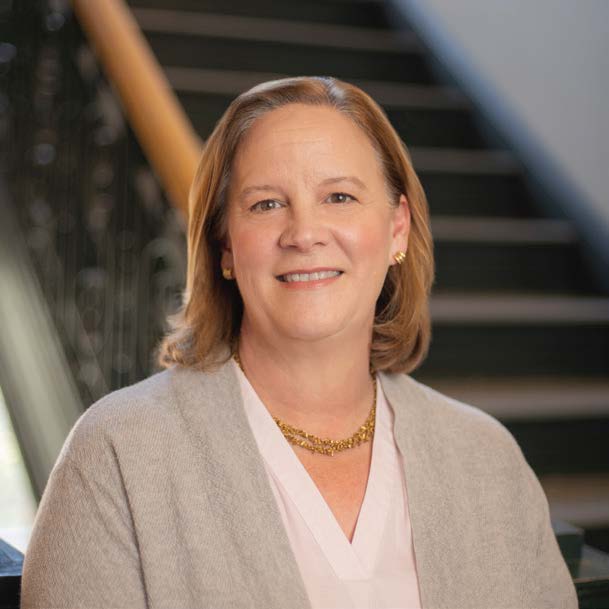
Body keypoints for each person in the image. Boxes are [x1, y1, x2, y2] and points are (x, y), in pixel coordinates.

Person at [20, 76, 577, 609]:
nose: (304, 233)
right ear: (227, 248)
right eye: (266, 204)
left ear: (398, 228)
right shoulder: (119, 455)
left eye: (339, 196)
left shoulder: (488, 458)